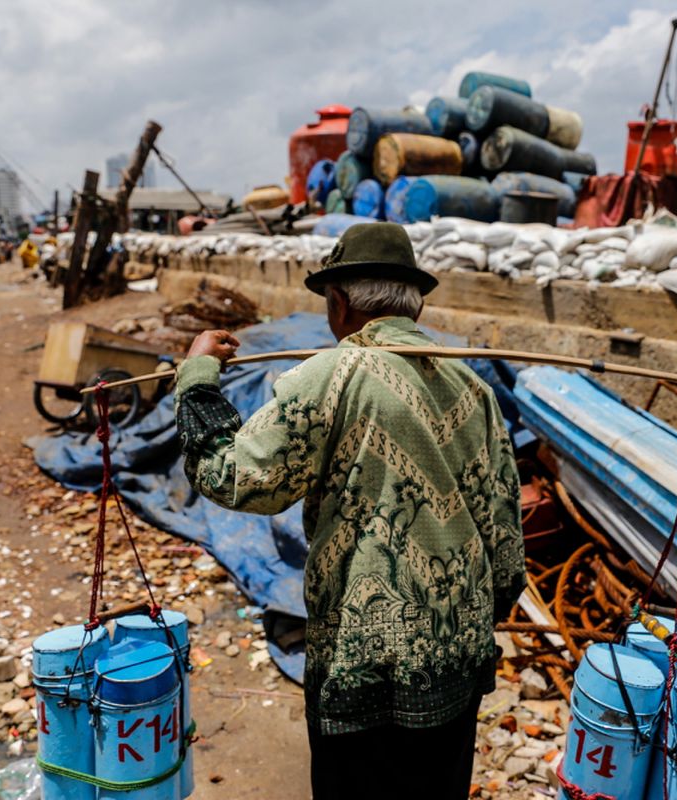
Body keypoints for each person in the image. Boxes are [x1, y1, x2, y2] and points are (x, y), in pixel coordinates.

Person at [175, 222, 525, 800]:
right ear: (415, 304)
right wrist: (480, 618)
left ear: (338, 304)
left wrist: (198, 380)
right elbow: (505, 539)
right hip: (457, 664)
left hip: (363, 662)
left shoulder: (328, 377)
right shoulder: (475, 389)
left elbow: (234, 477)